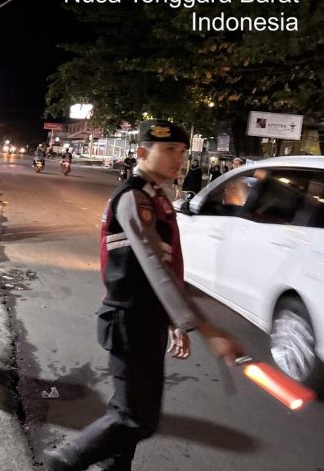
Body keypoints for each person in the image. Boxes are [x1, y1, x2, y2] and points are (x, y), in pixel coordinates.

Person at [43, 119, 242, 471]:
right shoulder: (134, 198)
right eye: (168, 150)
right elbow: (155, 268)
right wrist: (206, 330)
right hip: (129, 319)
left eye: (181, 151)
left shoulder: (157, 197)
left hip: (145, 320)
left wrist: (174, 322)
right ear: (141, 152)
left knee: (132, 416)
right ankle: (64, 461)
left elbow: (170, 265)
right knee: (136, 419)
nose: (178, 158)